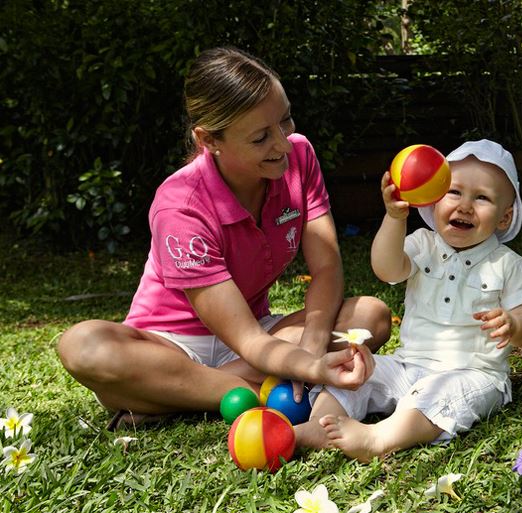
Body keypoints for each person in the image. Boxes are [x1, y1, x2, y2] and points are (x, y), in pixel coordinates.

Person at [56, 47, 391, 430]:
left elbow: (327, 267)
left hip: (256, 331)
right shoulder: (181, 206)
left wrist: (313, 343)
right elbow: (248, 340)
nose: (283, 144)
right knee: (83, 345)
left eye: (285, 121)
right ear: (209, 139)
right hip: (171, 347)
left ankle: (168, 398)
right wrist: (309, 365)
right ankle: (236, 393)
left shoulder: (299, 157)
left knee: (370, 314)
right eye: (261, 137)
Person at [295, 139, 522, 461]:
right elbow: (386, 268)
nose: (465, 205)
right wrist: (395, 218)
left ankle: (378, 439)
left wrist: (515, 323)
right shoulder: (423, 244)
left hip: (473, 373)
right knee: (358, 368)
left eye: (482, 197)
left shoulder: (507, 263)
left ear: (504, 218)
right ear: (435, 199)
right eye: (454, 192)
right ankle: (320, 424)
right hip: (408, 364)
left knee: (440, 397)